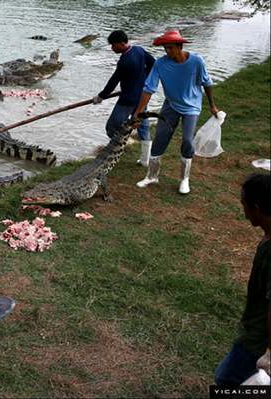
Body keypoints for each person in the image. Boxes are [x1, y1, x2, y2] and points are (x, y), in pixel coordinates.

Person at [133, 30, 219, 194]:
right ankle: (152, 175)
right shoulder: (160, 63)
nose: (167, 51)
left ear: (180, 46)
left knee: (187, 140)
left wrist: (212, 106)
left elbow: (206, 83)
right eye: (165, 48)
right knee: (161, 136)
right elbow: (148, 89)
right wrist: (139, 113)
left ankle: (184, 179)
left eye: (171, 47)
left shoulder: (196, 61)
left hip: (191, 106)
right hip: (171, 104)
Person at [214, 173, 270, 385]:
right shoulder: (267, 236)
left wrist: (269, 352)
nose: (243, 210)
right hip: (256, 332)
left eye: (243, 204)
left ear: (256, 208)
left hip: (258, 340)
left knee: (226, 379)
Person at [94, 29, 155, 167]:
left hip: (128, 99)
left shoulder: (125, 61)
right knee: (144, 127)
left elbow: (114, 80)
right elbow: (153, 62)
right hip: (142, 97)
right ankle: (145, 160)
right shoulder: (139, 50)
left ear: (122, 44)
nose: (112, 48)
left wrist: (101, 96)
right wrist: (144, 77)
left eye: (114, 45)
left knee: (112, 126)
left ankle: (117, 149)